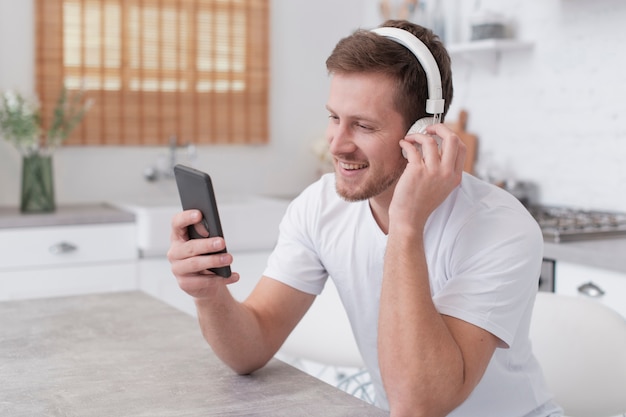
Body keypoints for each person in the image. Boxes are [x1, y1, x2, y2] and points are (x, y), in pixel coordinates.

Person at [168, 19, 563, 417]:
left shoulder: (500, 227)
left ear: (425, 132)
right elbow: (249, 350)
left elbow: (418, 405)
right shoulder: (319, 206)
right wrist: (210, 296)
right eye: (334, 117)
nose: (336, 144)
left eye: (363, 125)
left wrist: (406, 225)